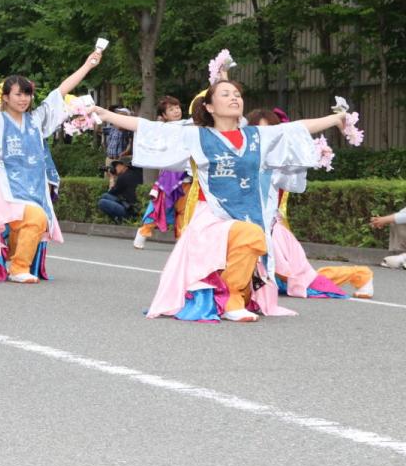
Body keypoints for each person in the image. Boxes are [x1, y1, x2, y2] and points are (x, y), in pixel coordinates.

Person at [94, 81, 349, 322]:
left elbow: (295, 129)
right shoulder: (197, 136)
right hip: (211, 216)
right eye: (225, 94)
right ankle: (231, 301)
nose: (234, 98)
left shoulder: (256, 137)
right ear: (209, 107)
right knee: (252, 235)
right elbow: (149, 128)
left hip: (245, 213)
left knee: (256, 238)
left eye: (237, 95)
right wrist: (105, 114)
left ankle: (233, 296)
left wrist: (335, 119)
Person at [0, 48, 102, 283]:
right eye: (18, 94)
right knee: (35, 217)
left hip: (33, 187)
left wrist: (88, 65)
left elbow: (61, 91)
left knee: (32, 222)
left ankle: (17, 264)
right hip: (5, 188)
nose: (24, 99)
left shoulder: (37, 119)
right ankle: (18, 267)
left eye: (27, 94)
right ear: (5, 97)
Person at [245, 109, 374, 299]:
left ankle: (360, 274)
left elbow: (298, 128)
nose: (264, 136)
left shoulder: (279, 162)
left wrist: (333, 121)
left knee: (302, 280)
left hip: (269, 230)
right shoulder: (239, 153)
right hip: (245, 227)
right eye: (257, 130)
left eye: (269, 131)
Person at [133, 96, 190, 248]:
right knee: (160, 206)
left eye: (177, 107)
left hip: (188, 174)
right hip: (170, 175)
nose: (176, 111)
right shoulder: (161, 129)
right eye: (171, 109)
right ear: (164, 115)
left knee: (184, 210)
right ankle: (144, 231)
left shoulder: (188, 125)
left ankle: (181, 240)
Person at [102, 108, 133, 184]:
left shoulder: (128, 129)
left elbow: (130, 143)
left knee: (117, 182)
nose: (117, 117)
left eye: (120, 115)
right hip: (109, 158)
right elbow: (99, 130)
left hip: (119, 160)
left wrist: (125, 152)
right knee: (107, 181)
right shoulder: (112, 128)